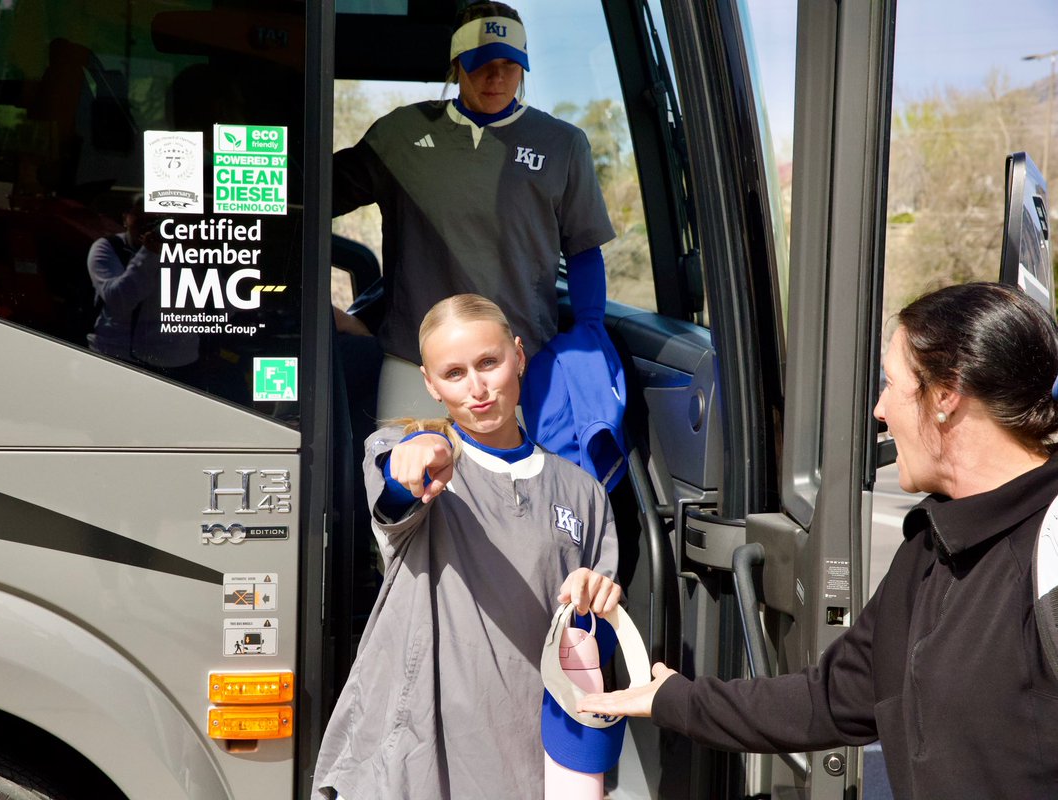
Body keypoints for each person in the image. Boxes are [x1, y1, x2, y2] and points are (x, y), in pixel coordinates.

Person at [576, 282, 1058, 798]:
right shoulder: (930, 547)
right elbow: (829, 698)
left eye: (891, 385)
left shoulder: (1046, 549)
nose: (879, 410)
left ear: (945, 395)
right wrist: (674, 699)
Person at [312, 294, 623, 799]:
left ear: (518, 356)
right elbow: (396, 491)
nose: (476, 388)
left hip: (537, 749)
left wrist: (597, 601)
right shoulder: (403, 450)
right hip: (424, 750)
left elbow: (597, 647)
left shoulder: (581, 492)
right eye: (453, 374)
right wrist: (417, 456)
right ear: (430, 384)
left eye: (488, 363)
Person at [333, 1, 620, 434]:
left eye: (510, 64)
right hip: (416, 363)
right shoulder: (400, 135)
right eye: (483, 64)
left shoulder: (563, 145)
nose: (497, 77)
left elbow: (583, 250)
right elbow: (308, 198)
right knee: (408, 490)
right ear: (457, 63)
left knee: (513, 494)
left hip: (516, 363)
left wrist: (590, 333)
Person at [86, 197, 197, 375]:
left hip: (176, 358)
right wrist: (149, 254)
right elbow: (119, 299)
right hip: (118, 355)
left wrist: (201, 258)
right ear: (125, 218)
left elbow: (216, 304)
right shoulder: (108, 248)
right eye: (141, 216)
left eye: (155, 219)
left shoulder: (182, 252)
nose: (148, 225)